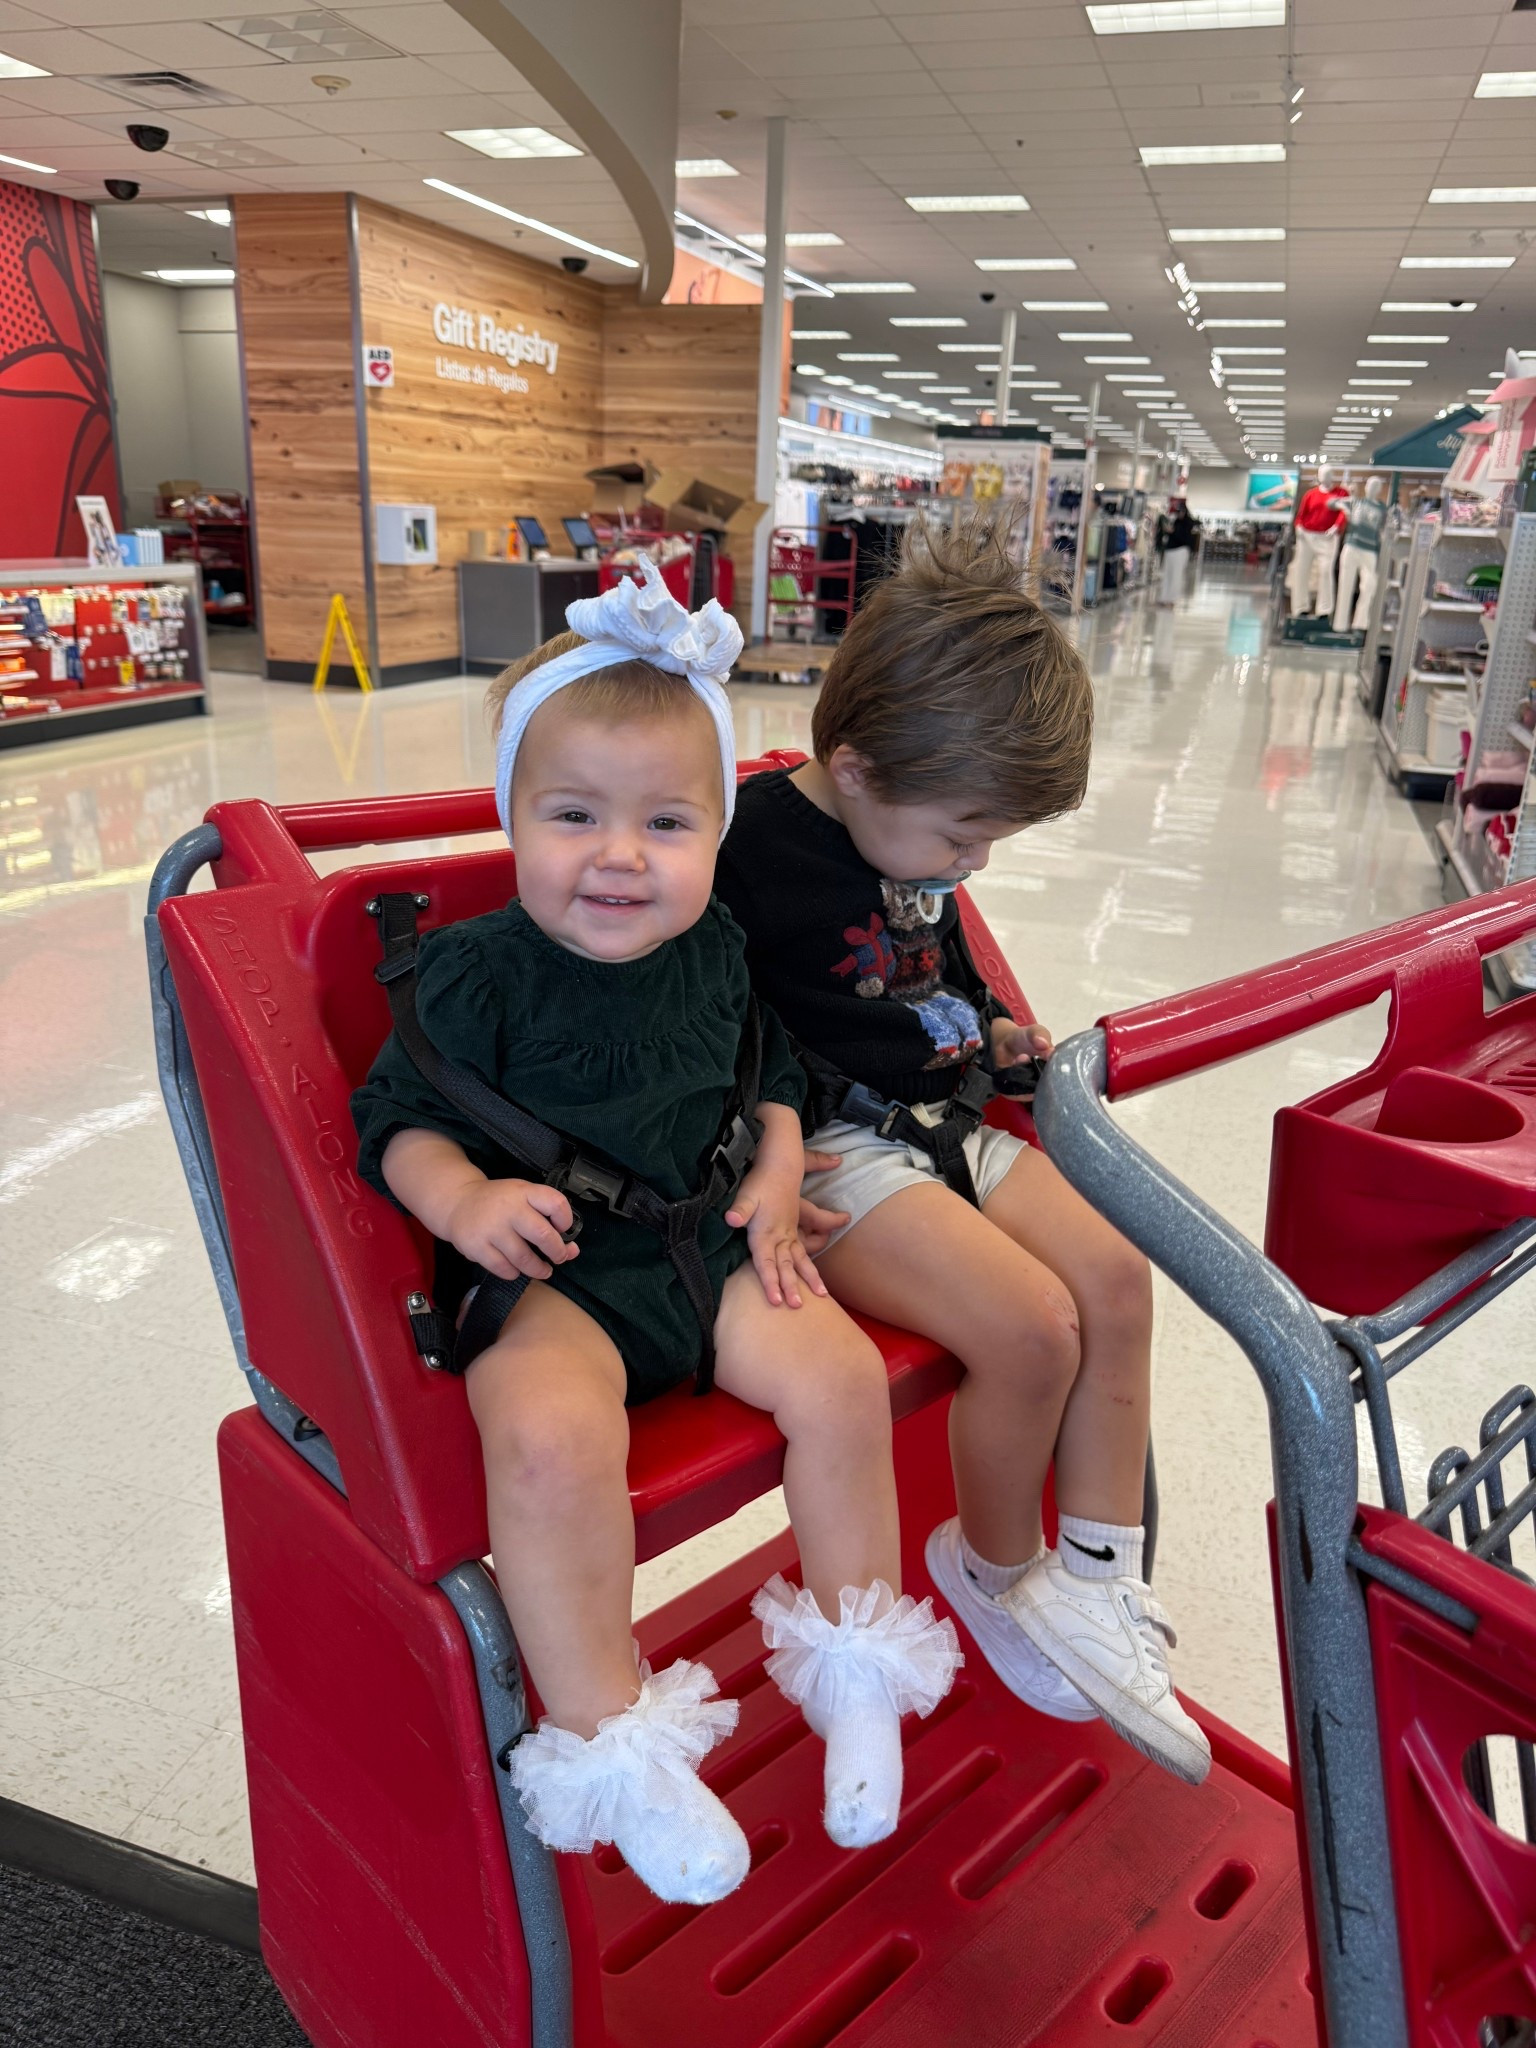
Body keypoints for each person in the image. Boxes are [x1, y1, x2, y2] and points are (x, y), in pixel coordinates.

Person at [351, 561, 959, 1910]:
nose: (621, 856)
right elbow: (397, 1119)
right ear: (514, 816)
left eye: (668, 824)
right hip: (557, 1281)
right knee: (551, 1437)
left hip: (712, 1249)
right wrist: (463, 1201)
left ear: (714, 831)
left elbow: (773, 1071)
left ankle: (858, 1673)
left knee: (843, 1381)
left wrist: (786, 1154)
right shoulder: (474, 971)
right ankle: (617, 1744)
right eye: (574, 816)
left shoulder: (719, 949)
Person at [714, 519, 1211, 1789]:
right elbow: (705, 1018)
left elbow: (935, 950)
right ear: (858, 766)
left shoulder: (905, 830)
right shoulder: (752, 845)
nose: (970, 865)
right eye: (962, 837)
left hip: (949, 1118)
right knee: (1035, 1325)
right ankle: (996, 1573)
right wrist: (755, 1159)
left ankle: (1099, 1577)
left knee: (1118, 1279)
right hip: (832, 1153)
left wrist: (989, 1021)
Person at [1156, 498, 1199, 608]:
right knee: (1167, 575)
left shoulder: (1188, 523)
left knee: (1176, 576)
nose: (1179, 514)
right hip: (1170, 550)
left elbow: (1185, 538)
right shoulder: (1176, 521)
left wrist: (1173, 532)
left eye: (1181, 511)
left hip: (1180, 551)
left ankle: (1171, 599)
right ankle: (1164, 598)